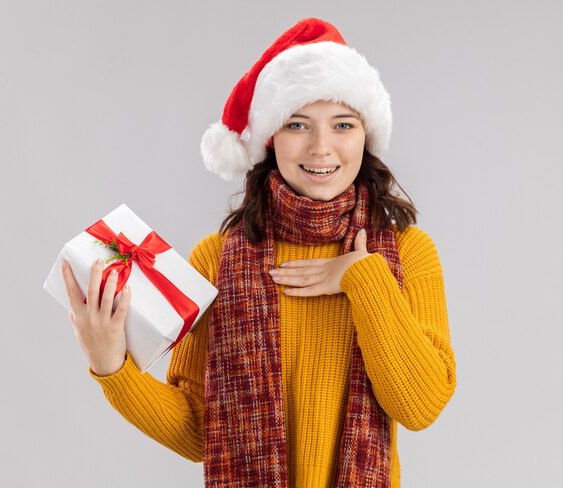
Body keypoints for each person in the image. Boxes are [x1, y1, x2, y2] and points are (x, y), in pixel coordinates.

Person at [61, 17, 456, 488]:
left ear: (365, 136)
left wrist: (363, 277)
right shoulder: (216, 259)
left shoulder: (408, 252)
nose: (322, 147)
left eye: (343, 124)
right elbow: (199, 431)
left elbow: (420, 405)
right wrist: (112, 368)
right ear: (271, 139)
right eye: (297, 124)